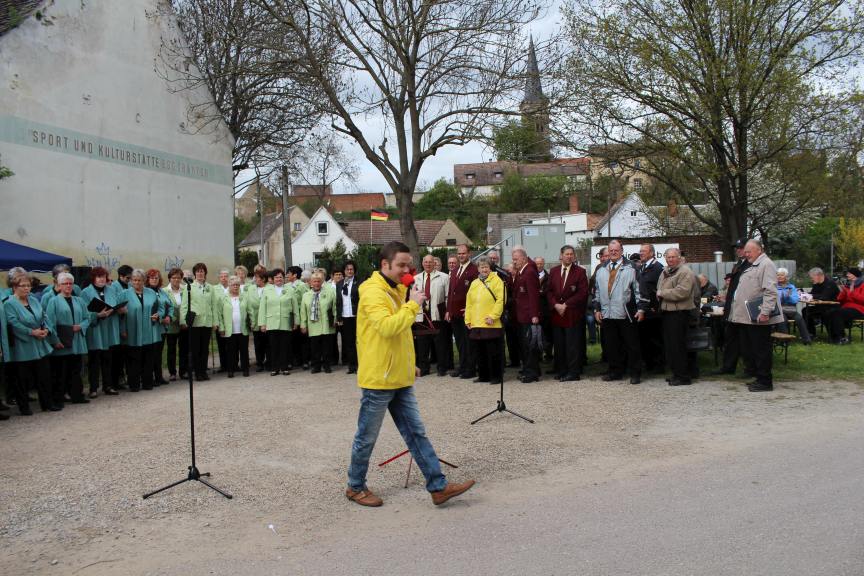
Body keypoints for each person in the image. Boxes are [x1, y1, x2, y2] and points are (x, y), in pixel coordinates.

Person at [346, 241, 475, 508]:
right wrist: (413, 305)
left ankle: (438, 486)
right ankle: (355, 486)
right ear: (385, 264)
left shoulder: (397, 288)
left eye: (409, 265)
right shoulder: (372, 292)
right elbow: (387, 328)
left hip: (399, 376)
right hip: (379, 379)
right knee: (366, 437)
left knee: (416, 433)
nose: (407, 270)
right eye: (401, 265)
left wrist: (410, 363)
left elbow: (402, 335)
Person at [730, 240, 784, 392]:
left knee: (761, 350)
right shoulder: (753, 264)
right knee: (753, 349)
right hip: (749, 317)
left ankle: (765, 381)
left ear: (759, 250)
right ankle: (759, 377)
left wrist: (765, 312)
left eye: (749, 251)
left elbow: (770, 291)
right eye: (745, 252)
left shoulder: (766, 264)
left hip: (759, 316)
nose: (746, 254)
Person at [593, 240, 645, 384]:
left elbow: (639, 290)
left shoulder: (632, 267)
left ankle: (635, 373)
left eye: (616, 250)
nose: (613, 252)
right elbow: (596, 291)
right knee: (612, 345)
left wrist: (641, 309)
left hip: (626, 312)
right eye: (611, 250)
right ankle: (615, 372)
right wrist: (597, 309)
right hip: (607, 313)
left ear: (622, 251)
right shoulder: (601, 269)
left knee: (632, 345)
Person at [3, 273, 54, 413]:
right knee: (22, 378)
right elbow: (13, 323)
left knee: (44, 375)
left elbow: (44, 316)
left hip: (40, 343)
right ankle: (24, 407)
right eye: (23, 286)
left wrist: (46, 330)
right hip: (23, 345)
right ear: (14, 287)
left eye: (28, 286)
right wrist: (31, 332)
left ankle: (47, 404)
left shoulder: (33, 300)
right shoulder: (9, 303)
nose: (26, 288)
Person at [44, 271, 91, 406]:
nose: (68, 286)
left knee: (76, 370)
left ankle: (77, 395)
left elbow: (87, 318)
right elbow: (50, 323)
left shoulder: (79, 300)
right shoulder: (53, 301)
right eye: (65, 283)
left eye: (70, 283)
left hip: (77, 340)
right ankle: (58, 398)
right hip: (62, 342)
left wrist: (80, 326)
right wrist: (55, 340)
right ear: (59, 285)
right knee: (60, 372)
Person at [546, 244, 589, 382]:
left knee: (572, 345)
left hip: (572, 314)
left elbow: (583, 293)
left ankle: (573, 372)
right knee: (559, 345)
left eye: (571, 254)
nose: (569, 256)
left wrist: (566, 305)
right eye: (567, 254)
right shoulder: (553, 271)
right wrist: (555, 304)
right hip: (557, 314)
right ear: (561, 255)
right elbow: (549, 291)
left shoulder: (580, 272)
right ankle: (562, 370)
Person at [656, 248, 698, 386]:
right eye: (668, 257)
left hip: (679, 313)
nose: (670, 259)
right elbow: (659, 287)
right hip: (667, 312)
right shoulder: (665, 271)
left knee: (678, 345)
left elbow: (682, 292)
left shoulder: (685, 272)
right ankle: (676, 373)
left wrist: (662, 293)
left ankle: (683, 376)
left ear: (679, 257)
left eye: (673, 257)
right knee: (670, 346)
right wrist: (660, 293)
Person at [80, 267, 121, 397]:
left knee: (108, 358)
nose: (101, 279)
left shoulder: (111, 290)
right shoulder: (85, 292)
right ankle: (93, 388)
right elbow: (83, 312)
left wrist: (118, 310)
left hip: (109, 327)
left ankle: (108, 385)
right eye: (99, 277)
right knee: (94, 360)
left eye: (103, 276)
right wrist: (97, 315)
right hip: (95, 329)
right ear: (93, 278)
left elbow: (116, 304)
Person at [714, 240, 752, 376]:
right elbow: (732, 288)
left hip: (744, 307)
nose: (738, 250)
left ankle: (750, 368)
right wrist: (727, 306)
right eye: (737, 248)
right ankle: (728, 366)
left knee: (745, 339)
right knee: (731, 337)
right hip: (733, 306)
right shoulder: (739, 264)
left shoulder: (751, 264)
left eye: (741, 248)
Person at [465, 256, 505, 384]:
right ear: (478, 269)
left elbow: (501, 300)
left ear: (490, 267)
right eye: (481, 267)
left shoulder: (497, 281)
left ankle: (496, 376)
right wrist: (468, 319)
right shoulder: (474, 283)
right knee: (480, 352)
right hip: (476, 323)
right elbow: (469, 303)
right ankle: (483, 375)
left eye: (486, 267)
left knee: (493, 352)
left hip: (491, 323)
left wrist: (493, 316)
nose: (484, 269)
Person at [121, 269, 161, 392]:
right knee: (134, 358)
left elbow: (159, 308)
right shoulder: (124, 294)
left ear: (144, 281)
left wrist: (158, 315)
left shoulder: (151, 293)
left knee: (148, 358)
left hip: (148, 330)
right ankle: (134, 384)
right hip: (132, 331)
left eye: (139, 280)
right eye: (134, 280)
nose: (137, 283)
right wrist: (122, 329)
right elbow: (119, 314)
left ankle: (147, 382)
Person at [413, 254, 450, 377]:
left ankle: (442, 368)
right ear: (422, 263)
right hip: (421, 315)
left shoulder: (444, 277)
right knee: (422, 344)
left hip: (437, 314)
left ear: (434, 263)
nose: (428, 264)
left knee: (440, 343)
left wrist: (446, 311)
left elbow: (448, 296)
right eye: (426, 262)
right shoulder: (416, 278)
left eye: (430, 262)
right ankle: (424, 368)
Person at [181, 263, 217, 382]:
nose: (200, 273)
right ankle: (197, 372)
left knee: (205, 349)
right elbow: (184, 305)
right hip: (195, 322)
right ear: (195, 274)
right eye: (198, 271)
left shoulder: (210, 287)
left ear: (205, 273)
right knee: (196, 349)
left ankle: (203, 371)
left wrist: (215, 322)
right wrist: (184, 321)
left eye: (202, 271)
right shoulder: (189, 287)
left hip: (207, 322)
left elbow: (214, 306)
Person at [447, 243, 478, 379]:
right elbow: (451, 292)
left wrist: (471, 309)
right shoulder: (454, 271)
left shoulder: (474, 270)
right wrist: (448, 310)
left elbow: (477, 293)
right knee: (460, 342)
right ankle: (463, 366)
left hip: (467, 312)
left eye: (463, 253)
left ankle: (471, 369)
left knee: (468, 342)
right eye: (459, 253)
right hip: (455, 312)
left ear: (469, 254)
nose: (461, 256)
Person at [511, 246, 541, 383]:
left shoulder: (529, 272)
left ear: (523, 258)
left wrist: (534, 315)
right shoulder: (522, 271)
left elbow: (533, 295)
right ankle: (529, 369)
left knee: (529, 345)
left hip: (528, 315)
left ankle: (531, 373)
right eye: (513, 259)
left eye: (516, 259)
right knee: (525, 345)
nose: (514, 262)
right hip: (521, 314)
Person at [258, 268, 296, 376]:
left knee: (285, 346)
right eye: (276, 277)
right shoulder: (267, 290)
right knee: (273, 347)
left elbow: (295, 307)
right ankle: (274, 368)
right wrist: (262, 323)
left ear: (284, 278)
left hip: (285, 321)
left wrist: (296, 322)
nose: (278, 279)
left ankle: (284, 367)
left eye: (280, 277)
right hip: (271, 322)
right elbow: (262, 308)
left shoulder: (290, 290)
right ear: (272, 279)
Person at [301, 271, 337, 373]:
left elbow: (334, 307)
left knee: (327, 347)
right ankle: (316, 366)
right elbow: (303, 312)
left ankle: (327, 365)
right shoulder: (306, 295)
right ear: (311, 283)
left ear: (321, 282)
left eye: (318, 281)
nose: (316, 283)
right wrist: (303, 325)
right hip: (313, 325)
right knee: (315, 347)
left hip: (326, 324)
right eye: (314, 281)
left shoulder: (329, 293)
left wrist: (335, 319)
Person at [637, 244, 664, 373]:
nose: (641, 253)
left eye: (644, 251)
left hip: (654, 311)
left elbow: (660, 288)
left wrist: (656, 306)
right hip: (643, 310)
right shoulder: (642, 267)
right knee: (645, 339)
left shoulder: (658, 268)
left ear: (652, 253)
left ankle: (659, 365)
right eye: (640, 251)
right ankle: (649, 364)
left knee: (655, 339)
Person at [218, 276, 250, 377]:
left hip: (242, 328)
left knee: (244, 351)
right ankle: (230, 370)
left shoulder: (244, 297)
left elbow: (250, 311)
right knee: (230, 351)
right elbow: (220, 314)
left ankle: (245, 369)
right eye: (233, 285)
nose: (235, 287)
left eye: (237, 285)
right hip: (229, 330)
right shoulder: (224, 298)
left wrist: (252, 323)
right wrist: (221, 327)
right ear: (229, 286)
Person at [147, 269, 174, 384]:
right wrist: (159, 317)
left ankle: (159, 376)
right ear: (147, 279)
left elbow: (170, 305)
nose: (154, 280)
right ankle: (150, 377)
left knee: (159, 353)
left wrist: (169, 317)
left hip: (161, 328)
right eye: (152, 278)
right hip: (150, 327)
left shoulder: (162, 292)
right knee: (151, 353)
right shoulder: (146, 292)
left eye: (156, 278)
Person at [824, 268, 864, 345]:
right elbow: (840, 299)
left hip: (859, 309)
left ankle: (841, 337)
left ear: (855, 275)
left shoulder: (862, 285)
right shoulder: (848, 285)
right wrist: (843, 291)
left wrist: (852, 293)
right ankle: (833, 337)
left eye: (849, 273)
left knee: (837, 313)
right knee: (828, 312)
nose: (847, 275)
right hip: (846, 308)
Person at [108, 264, 132, 390]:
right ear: (121, 276)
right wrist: (122, 329)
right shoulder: (113, 288)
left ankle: (126, 377)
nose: (129, 280)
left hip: (128, 322)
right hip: (119, 323)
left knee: (127, 353)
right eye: (127, 278)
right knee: (118, 355)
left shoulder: (129, 286)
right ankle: (117, 379)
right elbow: (115, 307)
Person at [775, 267, 812, 345]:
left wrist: (788, 297)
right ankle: (785, 341)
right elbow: (773, 299)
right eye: (778, 275)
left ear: (786, 277)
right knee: (783, 319)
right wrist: (782, 297)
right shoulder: (774, 287)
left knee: (800, 319)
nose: (779, 277)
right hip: (779, 310)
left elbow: (795, 300)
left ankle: (807, 340)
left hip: (791, 309)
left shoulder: (791, 287)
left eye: (782, 275)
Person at [336, 261, 361, 374]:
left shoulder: (359, 282)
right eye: (347, 269)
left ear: (354, 270)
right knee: (348, 342)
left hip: (357, 316)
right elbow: (338, 301)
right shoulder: (340, 284)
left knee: (359, 341)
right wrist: (339, 317)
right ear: (344, 271)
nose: (349, 271)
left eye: (351, 269)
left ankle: (361, 365)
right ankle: (352, 366)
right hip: (345, 316)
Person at [162, 268, 186, 381]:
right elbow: (165, 307)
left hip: (184, 325)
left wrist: (183, 320)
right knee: (171, 349)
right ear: (169, 279)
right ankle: (172, 372)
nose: (176, 279)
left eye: (178, 277)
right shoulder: (164, 291)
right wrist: (174, 318)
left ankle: (183, 371)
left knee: (184, 349)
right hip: (171, 325)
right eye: (174, 277)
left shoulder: (185, 289)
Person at [802, 267, 840, 335]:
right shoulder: (816, 284)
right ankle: (811, 333)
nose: (811, 279)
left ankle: (834, 335)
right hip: (820, 306)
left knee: (827, 313)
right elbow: (813, 294)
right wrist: (804, 294)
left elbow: (825, 297)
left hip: (831, 307)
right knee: (805, 310)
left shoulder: (830, 283)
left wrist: (811, 296)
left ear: (819, 275)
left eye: (812, 277)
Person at [246, 270, 270, 372]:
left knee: (268, 342)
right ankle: (259, 362)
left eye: (256, 277)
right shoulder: (251, 289)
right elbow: (248, 304)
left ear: (263, 279)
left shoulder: (270, 288)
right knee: (258, 343)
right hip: (255, 319)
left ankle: (269, 362)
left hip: (267, 319)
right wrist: (251, 320)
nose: (254, 279)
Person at [586, 247, 609, 349]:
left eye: (606, 256)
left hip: (613, 306)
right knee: (604, 331)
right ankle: (605, 354)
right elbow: (591, 285)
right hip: (599, 305)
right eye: (601, 256)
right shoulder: (599, 267)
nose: (603, 258)